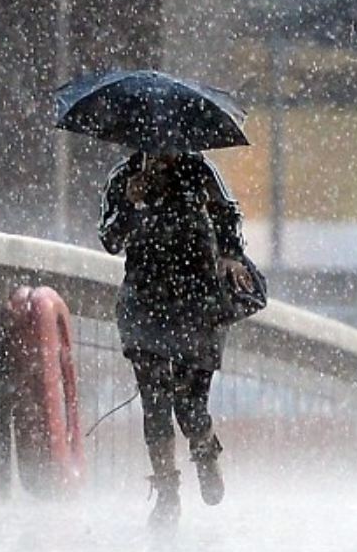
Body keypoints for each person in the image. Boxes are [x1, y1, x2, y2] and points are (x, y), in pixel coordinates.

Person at [99, 148, 253, 528]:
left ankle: (204, 451)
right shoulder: (124, 177)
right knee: (155, 402)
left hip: (196, 300)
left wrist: (230, 255)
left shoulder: (199, 171)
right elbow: (110, 239)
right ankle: (167, 491)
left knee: (190, 403)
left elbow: (228, 214)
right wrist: (131, 205)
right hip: (145, 299)